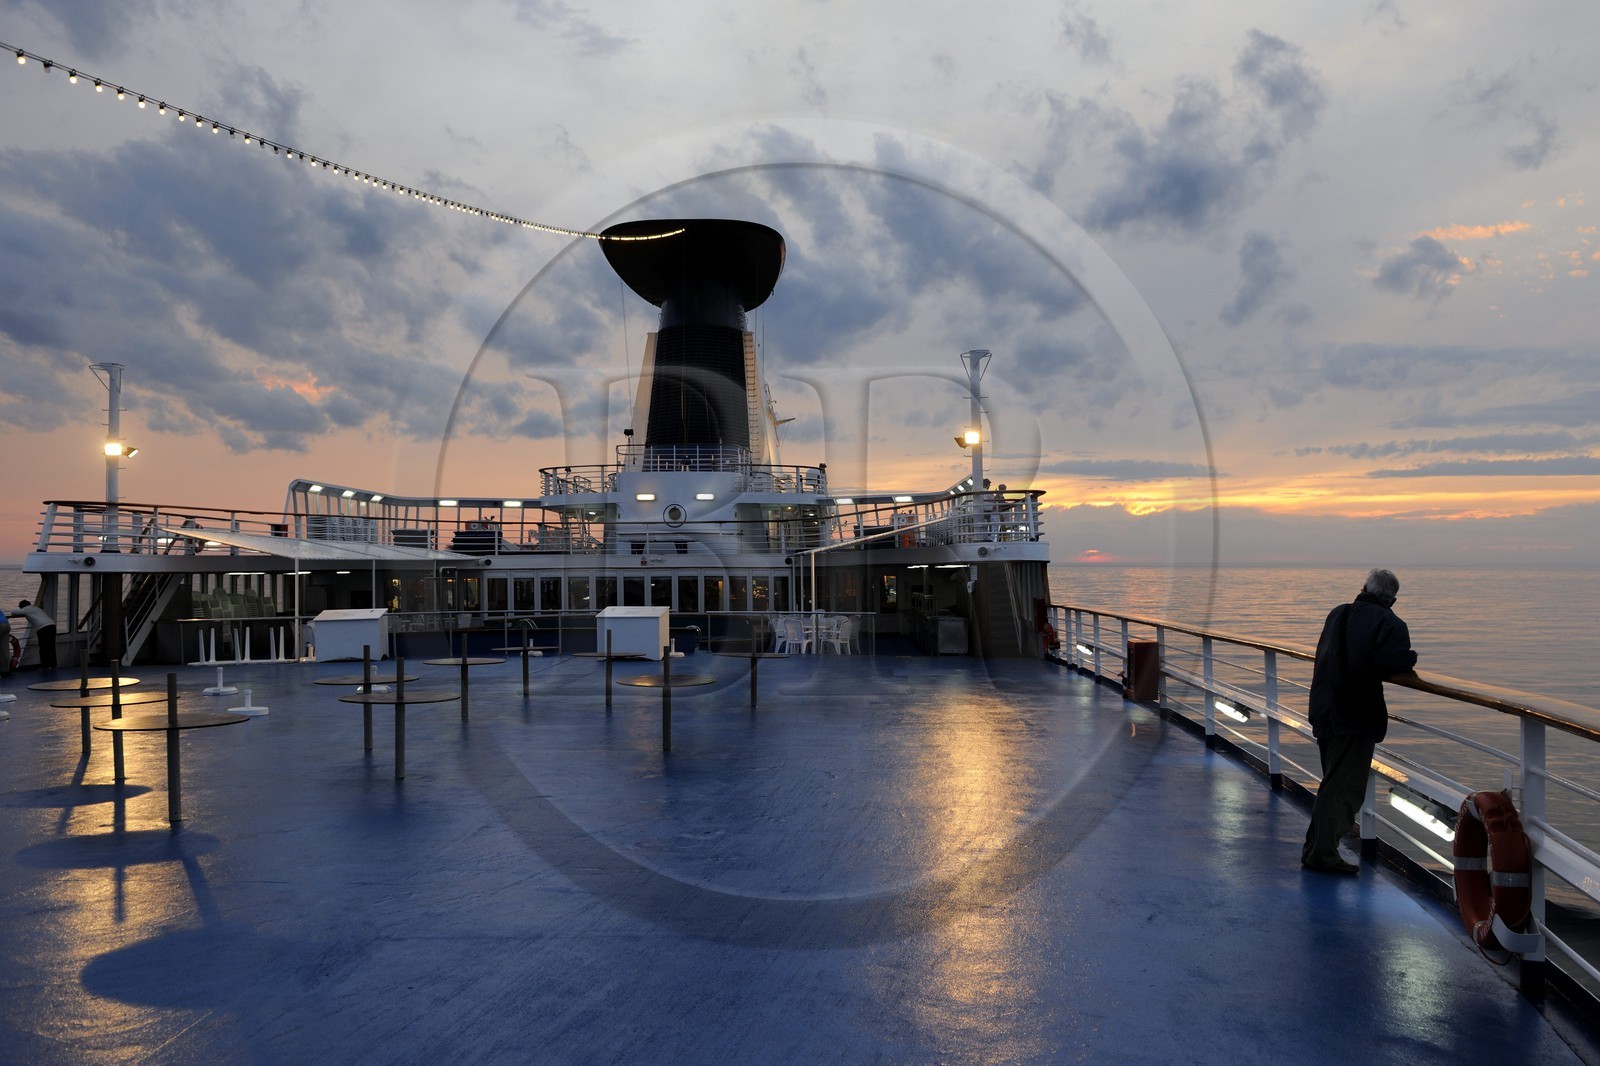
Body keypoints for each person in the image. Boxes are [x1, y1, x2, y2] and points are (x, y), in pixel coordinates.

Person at [1301, 568, 1418, 875]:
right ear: (1391, 599)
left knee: (1331, 782)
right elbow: (1394, 660)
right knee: (1343, 788)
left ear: (1364, 587)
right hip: (1352, 715)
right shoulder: (1390, 623)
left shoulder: (1338, 614)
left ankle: (1314, 848)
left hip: (1324, 706)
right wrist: (1411, 659)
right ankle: (1322, 855)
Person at [10, 600, 58, 671]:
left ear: (23, 607)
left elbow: (13, 612)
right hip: (52, 625)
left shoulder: (27, 609)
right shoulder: (36, 608)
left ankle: (45, 666)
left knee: (43, 648)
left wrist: (21, 611)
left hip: (43, 627)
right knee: (51, 646)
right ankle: (53, 664)